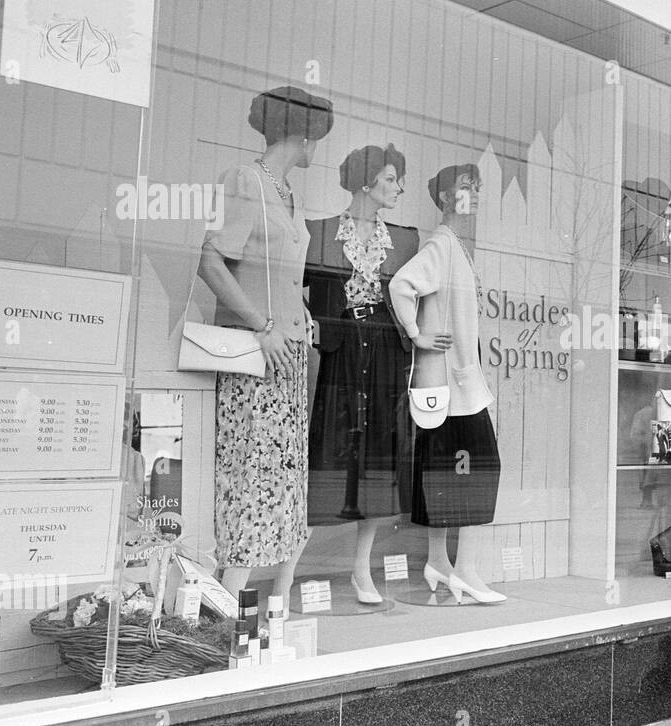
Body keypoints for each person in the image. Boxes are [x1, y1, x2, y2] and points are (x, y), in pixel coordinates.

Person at [200, 86, 333, 600]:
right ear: (301, 134)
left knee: (280, 479)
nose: (315, 146)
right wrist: (261, 323)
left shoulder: (286, 193)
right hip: (256, 356)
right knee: (250, 474)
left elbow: (280, 273)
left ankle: (260, 601)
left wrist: (299, 315)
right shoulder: (245, 181)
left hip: (289, 356)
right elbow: (211, 261)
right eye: (314, 136)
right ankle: (225, 600)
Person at [306, 143, 420, 604]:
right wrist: (309, 322)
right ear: (366, 182)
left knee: (378, 456)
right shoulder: (321, 232)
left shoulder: (407, 241)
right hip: (343, 349)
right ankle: (297, 567)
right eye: (392, 179)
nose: (399, 187)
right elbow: (295, 284)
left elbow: (420, 296)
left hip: (388, 350)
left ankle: (360, 569)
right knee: (332, 449)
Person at [389, 164, 505, 605]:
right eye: (463, 186)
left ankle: (439, 561)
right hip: (455, 387)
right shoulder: (442, 244)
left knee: (445, 473)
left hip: (453, 384)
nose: (473, 193)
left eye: (476, 186)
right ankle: (467, 571)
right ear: (443, 197)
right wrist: (415, 334)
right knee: (482, 469)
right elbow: (402, 285)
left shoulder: (454, 244)